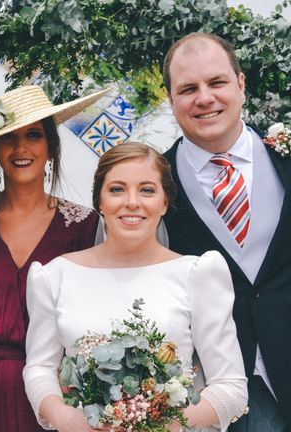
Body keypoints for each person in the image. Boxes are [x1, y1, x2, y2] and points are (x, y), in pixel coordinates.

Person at [23, 142, 248, 432]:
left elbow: (231, 387)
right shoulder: (54, 276)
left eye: (147, 190)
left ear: (164, 202)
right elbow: (40, 368)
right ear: (100, 202)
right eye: (117, 189)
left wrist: (155, 424)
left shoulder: (198, 273)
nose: (132, 201)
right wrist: (67, 419)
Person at [0, 85, 108, 431]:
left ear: (50, 146)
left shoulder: (84, 226)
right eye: (9, 138)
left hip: (49, 396)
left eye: (34, 135)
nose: (21, 149)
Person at [162, 32, 291, 431]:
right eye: (188, 89)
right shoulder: (154, 183)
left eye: (216, 82)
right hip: (217, 387)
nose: (205, 98)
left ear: (240, 83)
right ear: (171, 99)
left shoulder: (284, 158)